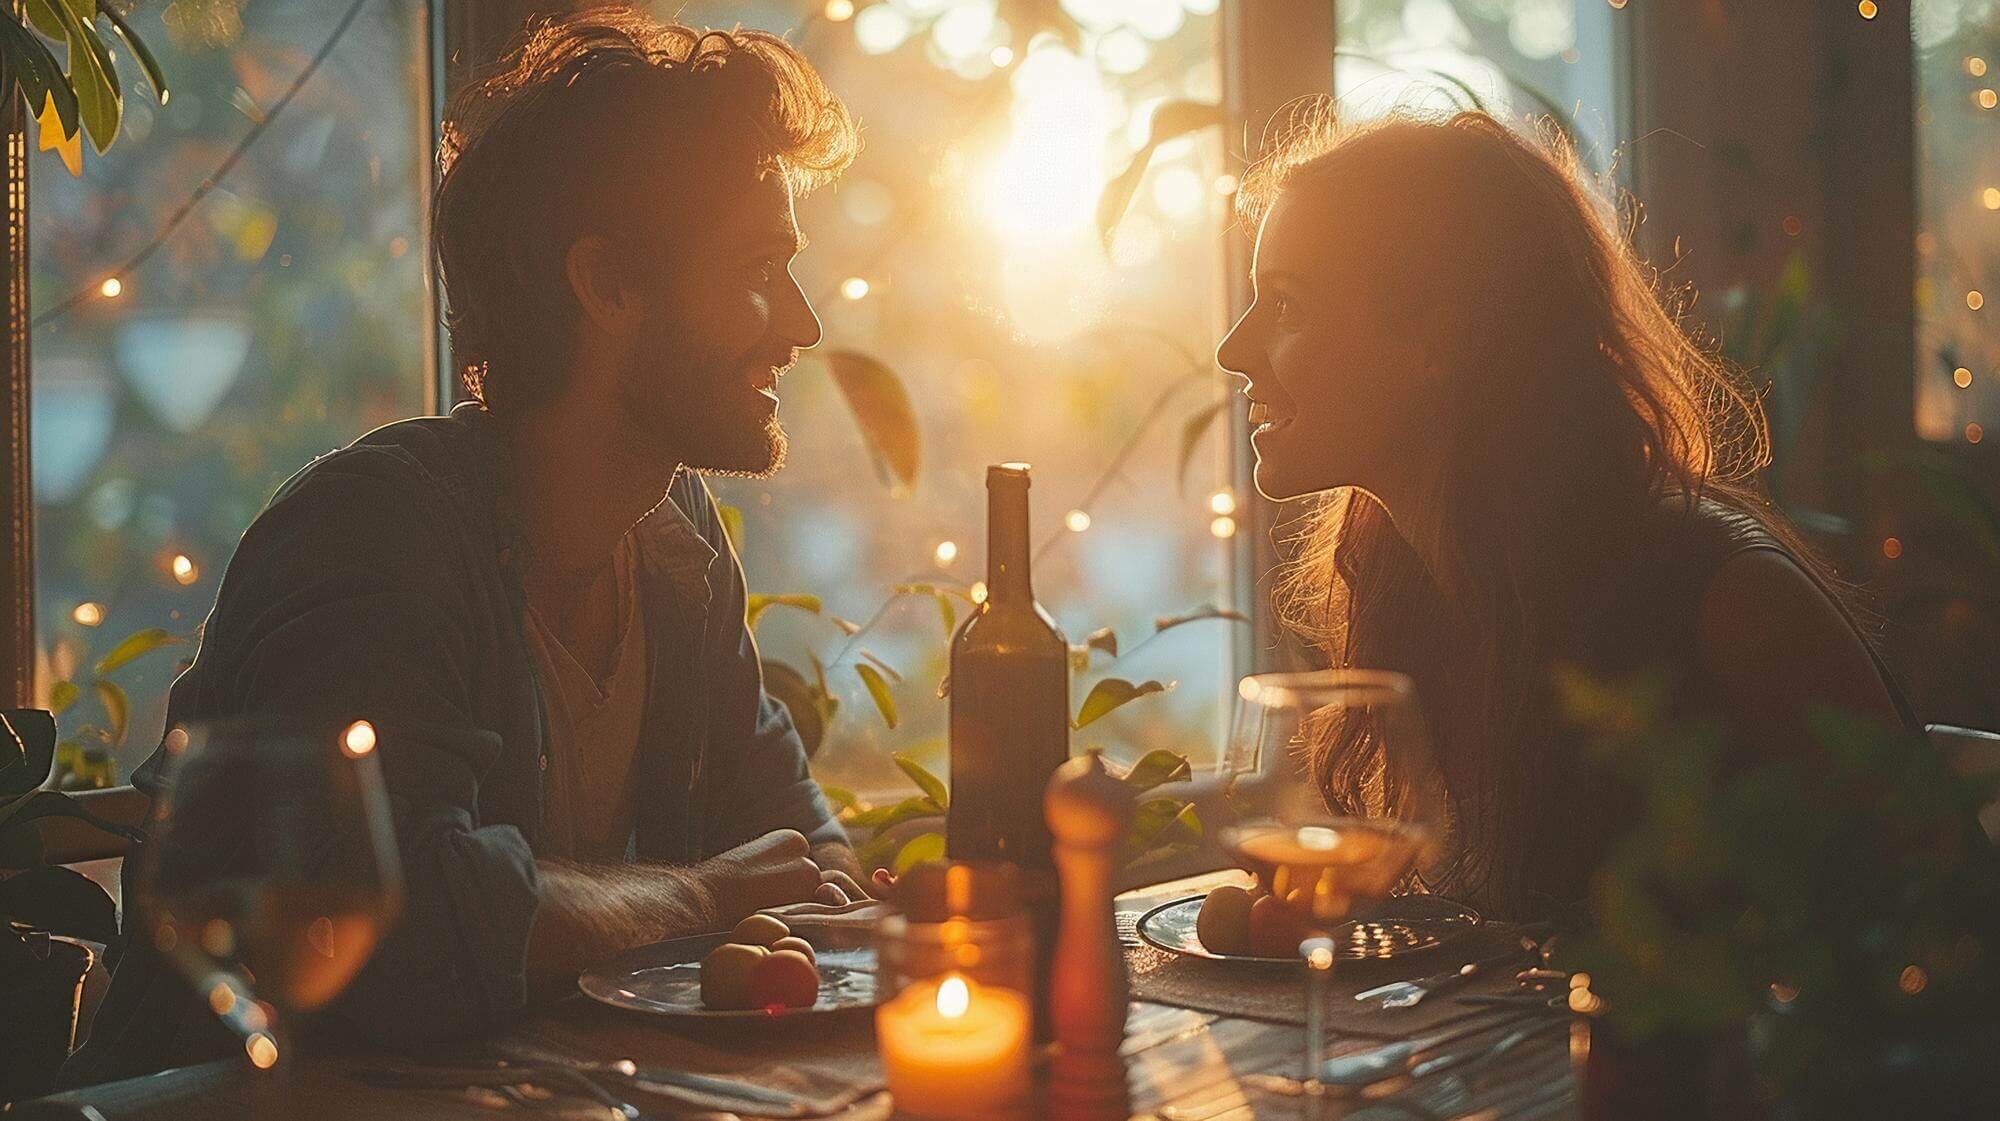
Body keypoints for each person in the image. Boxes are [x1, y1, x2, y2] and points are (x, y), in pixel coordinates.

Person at [64, 9, 864, 1083]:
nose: (802, 322)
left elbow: (803, 853)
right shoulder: (369, 537)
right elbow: (399, 927)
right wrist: (702, 896)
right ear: (608, 284)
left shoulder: (677, 543)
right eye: (761, 266)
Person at [1214, 104, 1915, 921]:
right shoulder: (1406, 590)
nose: (1234, 349)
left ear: (1437, 341)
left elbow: (1954, 944)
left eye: (1289, 306)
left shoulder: (1725, 605)